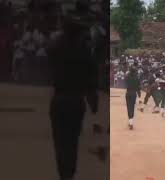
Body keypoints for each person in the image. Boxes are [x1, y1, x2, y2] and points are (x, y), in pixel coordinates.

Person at [48, 13, 98, 180]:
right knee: (72, 142)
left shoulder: (56, 48)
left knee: (60, 142)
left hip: (59, 99)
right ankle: (69, 174)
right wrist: (93, 102)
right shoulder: (84, 53)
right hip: (76, 101)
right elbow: (91, 81)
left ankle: (64, 175)